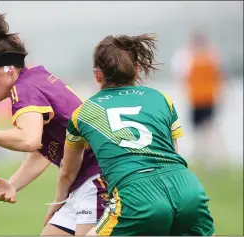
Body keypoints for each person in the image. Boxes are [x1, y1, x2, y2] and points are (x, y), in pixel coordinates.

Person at [0, 8, 107, 236]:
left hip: (97, 180)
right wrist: (13, 184)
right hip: (82, 182)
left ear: (8, 69)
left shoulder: (24, 91)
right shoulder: (37, 78)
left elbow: (30, 140)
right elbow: (45, 148)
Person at [51, 33, 214, 236]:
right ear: (136, 70)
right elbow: (173, 154)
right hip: (187, 189)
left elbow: (67, 171)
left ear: (97, 74)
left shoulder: (84, 112)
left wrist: (56, 205)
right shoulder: (162, 99)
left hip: (136, 194)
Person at [170, 30, 224, 171]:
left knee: (205, 131)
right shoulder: (208, 55)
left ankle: (209, 161)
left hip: (204, 98)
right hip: (200, 99)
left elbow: (181, 76)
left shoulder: (194, 56)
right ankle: (206, 160)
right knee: (203, 131)